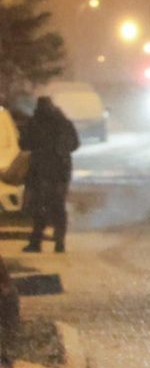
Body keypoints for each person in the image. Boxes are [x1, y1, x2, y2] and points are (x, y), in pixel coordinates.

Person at [20, 96, 80, 253]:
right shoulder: (64, 122)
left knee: (40, 207)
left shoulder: (34, 122)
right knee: (58, 205)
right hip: (61, 171)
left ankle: (36, 242)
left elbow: (23, 144)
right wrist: (61, 151)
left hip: (40, 171)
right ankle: (59, 241)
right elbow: (75, 144)